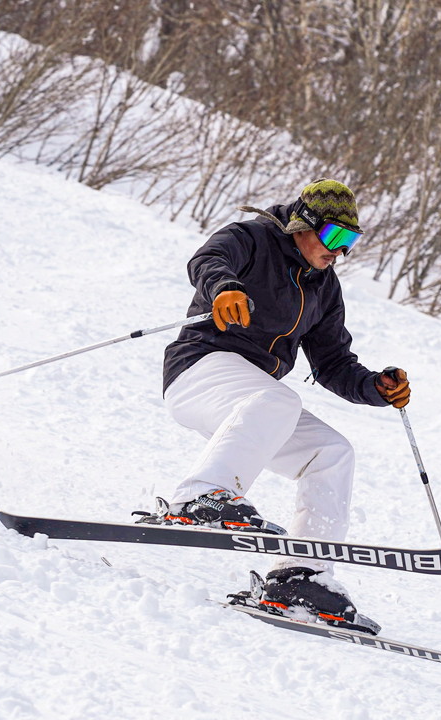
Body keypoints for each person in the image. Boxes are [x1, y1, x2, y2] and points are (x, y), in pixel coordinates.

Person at [136, 179, 409, 634]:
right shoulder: (252, 239)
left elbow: (334, 362)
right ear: (305, 224)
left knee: (333, 451)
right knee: (277, 399)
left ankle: (301, 577)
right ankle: (197, 498)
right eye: (334, 238)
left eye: (350, 242)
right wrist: (223, 288)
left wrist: (375, 388)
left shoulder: (324, 287)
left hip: (256, 401)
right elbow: (207, 259)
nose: (339, 252)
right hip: (201, 368)